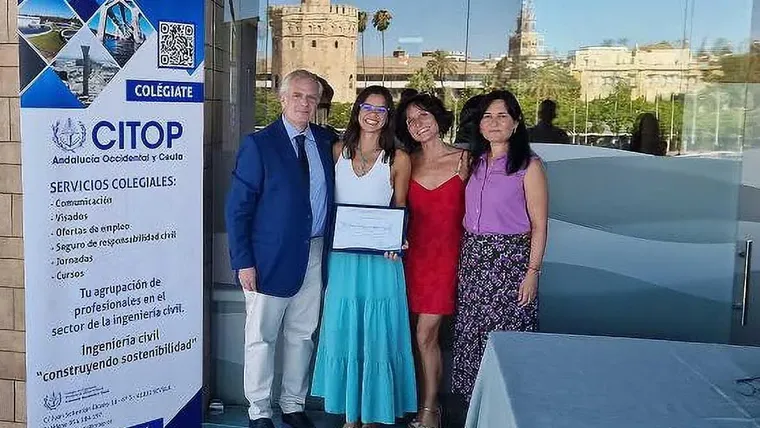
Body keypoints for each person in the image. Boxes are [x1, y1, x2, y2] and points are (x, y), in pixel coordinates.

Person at [225, 69, 336, 428]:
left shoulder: (326, 141)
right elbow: (238, 208)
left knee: (302, 335)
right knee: (261, 338)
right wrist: (243, 261)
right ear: (283, 98)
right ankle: (259, 411)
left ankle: (292, 405)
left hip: (315, 253)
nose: (305, 103)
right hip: (267, 260)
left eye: (311, 97)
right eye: (298, 95)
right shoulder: (259, 145)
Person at [310, 85, 417, 428]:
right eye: (367, 107)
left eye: (381, 109)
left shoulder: (398, 159)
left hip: (382, 261)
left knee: (377, 332)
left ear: (389, 117)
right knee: (345, 329)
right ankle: (349, 416)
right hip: (343, 258)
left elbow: (400, 207)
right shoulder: (337, 151)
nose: (373, 114)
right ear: (357, 111)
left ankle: (372, 415)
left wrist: (397, 238)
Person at [451, 90, 549, 402]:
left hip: (509, 262)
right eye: (487, 116)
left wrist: (532, 272)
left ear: (516, 123)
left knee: (506, 335)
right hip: (474, 259)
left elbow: (540, 224)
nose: (494, 123)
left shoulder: (529, 166)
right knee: (473, 333)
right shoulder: (473, 162)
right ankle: (476, 407)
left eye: (502, 116)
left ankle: (506, 407)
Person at [395, 93, 468, 428]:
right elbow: (395, 209)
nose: (417, 123)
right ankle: (411, 402)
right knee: (411, 335)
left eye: (423, 115)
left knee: (426, 334)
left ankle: (430, 409)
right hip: (411, 257)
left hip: (447, 259)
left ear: (438, 117)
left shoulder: (465, 160)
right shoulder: (407, 161)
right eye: (410, 119)